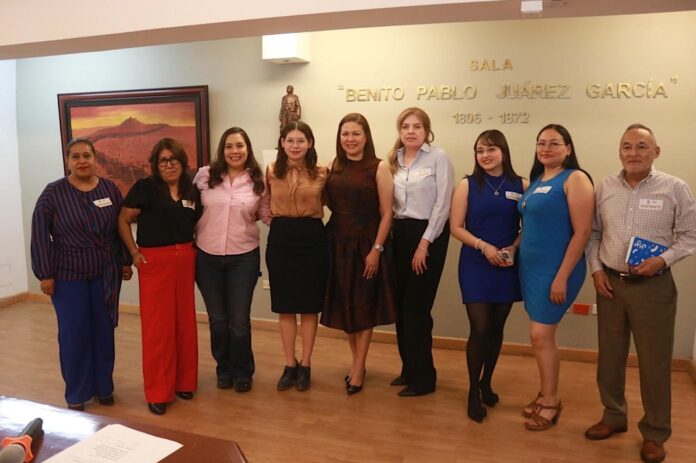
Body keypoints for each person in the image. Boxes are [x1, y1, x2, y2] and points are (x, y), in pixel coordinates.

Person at [584, 124, 696, 463]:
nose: (633, 153)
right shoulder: (605, 187)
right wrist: (597, 270)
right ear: (620, 151)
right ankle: (614, 415)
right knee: (610, 356)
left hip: (654, 289)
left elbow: (690, 235)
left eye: (642, 146)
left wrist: (662, 260)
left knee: (654, 363)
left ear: (656, 152)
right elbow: (593, 234)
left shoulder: (675, 188)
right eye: (627, 146)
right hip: (610, 285)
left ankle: (655, 432)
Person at [31, 138, 132, 411]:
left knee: (103, 330)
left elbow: (120, 227)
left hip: (105, 272)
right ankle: (77, 392)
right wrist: (44, 274)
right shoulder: (53, 193)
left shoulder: (110, 189)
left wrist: (125, 261)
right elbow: (40, 233)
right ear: (68, 161)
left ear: (95, 159)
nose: (82, 161)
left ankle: (103, 387)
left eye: (87, 155)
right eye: (75, 156)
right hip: (68, 275)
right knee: (74, 334)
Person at [517, 124, 594, 430]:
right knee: (540, 336)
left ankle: (551, 401)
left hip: (557, 270)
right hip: (531, 269)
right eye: (541, 143)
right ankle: (544, 392)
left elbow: (582, 232)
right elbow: (531, 226)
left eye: (554, 143)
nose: (546, 148)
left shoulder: (575, 179)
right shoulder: (537, 180)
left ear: (568, 148)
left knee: (540, 335)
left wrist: (561, 276)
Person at [118, 138, 200, 415]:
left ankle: (184, 382)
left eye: (174, 159)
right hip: (155, 262)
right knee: (158, 329)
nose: (169, 164)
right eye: (163, 160)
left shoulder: (191, 189)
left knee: (185, 323)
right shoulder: (145, 188)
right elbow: (123, 219)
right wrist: (133, 252)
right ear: (155, 164)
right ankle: (158, 391)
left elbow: (195, 222)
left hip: (185, 260)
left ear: (182, 162)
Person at [450, 129, 527, 422]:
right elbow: (456, 227)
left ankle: (486, 383)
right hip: (476, 263)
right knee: (480, 327)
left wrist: (513, 247)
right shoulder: (468, 185)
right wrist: (484, 247)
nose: (484, 155)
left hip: (507, 264)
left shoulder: (522, 184)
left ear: (503, 152)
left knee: (496, 328)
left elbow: (530, 226)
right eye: (480, 150)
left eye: (490, 149)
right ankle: (473, 390)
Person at [321, 112, 397, 395]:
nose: (350, 139)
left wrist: (376, 249)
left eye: (356, 133)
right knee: (347, 307)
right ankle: (357, 363)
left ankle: (358, 368)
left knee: (364, 307)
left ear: (366, 137)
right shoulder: (333, 165)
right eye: (345, 134)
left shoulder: (379, 167)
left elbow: (387, 213)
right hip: (337, 243)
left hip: (367, 244)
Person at [388, 107, 455, 397]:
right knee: (401, 308)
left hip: (429, 236)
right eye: (406, 126)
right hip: (399, 235)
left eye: (417, 126)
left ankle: (424, 378)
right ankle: (409, 369)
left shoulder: (438, 157)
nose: (411, 131)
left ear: (427, 130)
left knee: (416, 309)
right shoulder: (394, 160)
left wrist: (424, 243)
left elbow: (443, 204)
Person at [194, 127, 264, 393]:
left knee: (239, 321)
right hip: (207, 257)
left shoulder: (258, 181)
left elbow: (267, 213)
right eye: (229, 146)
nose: (235, 151)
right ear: (222, 150)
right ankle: (223, 369)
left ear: (248, 149)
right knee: (218, 320)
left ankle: (243, 371)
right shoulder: (205, 176)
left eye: (240, 146)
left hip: (243, 257)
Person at [260, 121, 329, 392]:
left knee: (309, 306)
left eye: (301, 140)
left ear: (309, 143)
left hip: (312, 237)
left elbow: (329, 201)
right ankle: (290, 364)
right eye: (290, 140)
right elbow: (265, 201)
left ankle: (306, 364)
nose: (295, 145)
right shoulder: (271, 170)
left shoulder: (322, 171)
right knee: (285, 305)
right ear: (282, 143)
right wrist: (275, 222)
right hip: (281, 239)